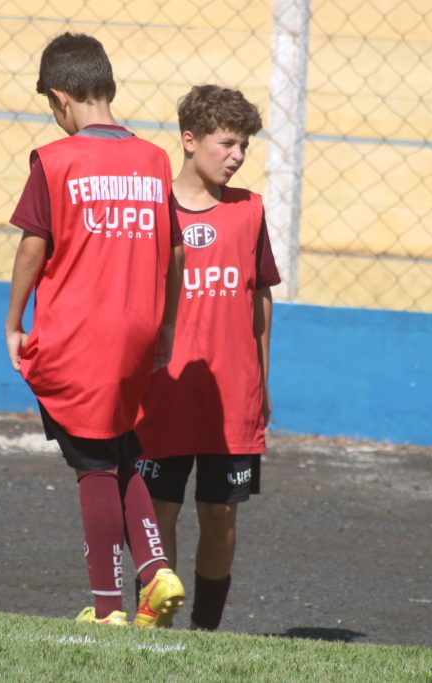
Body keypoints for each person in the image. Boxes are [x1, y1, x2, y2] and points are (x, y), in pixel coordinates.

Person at [4, 32, 186, 628]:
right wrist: (165, 325)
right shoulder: (154, 160)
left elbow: (33, 246)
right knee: (120, 449)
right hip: (136, 330)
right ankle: (156, 570)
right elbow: (176, 252)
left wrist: (13, 321)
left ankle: (107, 609)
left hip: (79, 333)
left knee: (92, 466)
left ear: (60, 97)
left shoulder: (55, 161)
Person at [134, 84, 279, 631]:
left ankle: (205, 630)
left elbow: (260, 299)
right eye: (227, 143)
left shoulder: (250, 211)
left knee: (220, 515)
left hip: (231, 395)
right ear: (190, 140)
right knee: (158, 511)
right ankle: (156, 624)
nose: (237, 156)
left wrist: (262, 381)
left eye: (244, 146)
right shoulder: (150, 209)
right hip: (162, 389)